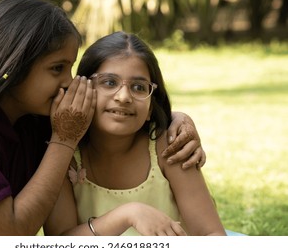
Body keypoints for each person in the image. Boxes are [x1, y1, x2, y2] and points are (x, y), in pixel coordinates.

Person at [0, 0, 204, 236]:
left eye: (70, 67)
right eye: (57, 68)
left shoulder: (30, 118)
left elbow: (110, 117)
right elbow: (11, 234)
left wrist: (176, 121)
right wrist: (63, 139)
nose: (69, 82)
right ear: (12, 68)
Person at [44, 31, 226, 236]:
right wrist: (127, 214)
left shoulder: (169, 147)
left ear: (150, 107)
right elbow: (59, 244)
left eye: (138, 87)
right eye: (109, 82)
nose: (123, 97)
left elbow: (212, 236)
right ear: (81, 89)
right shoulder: (63, 155)